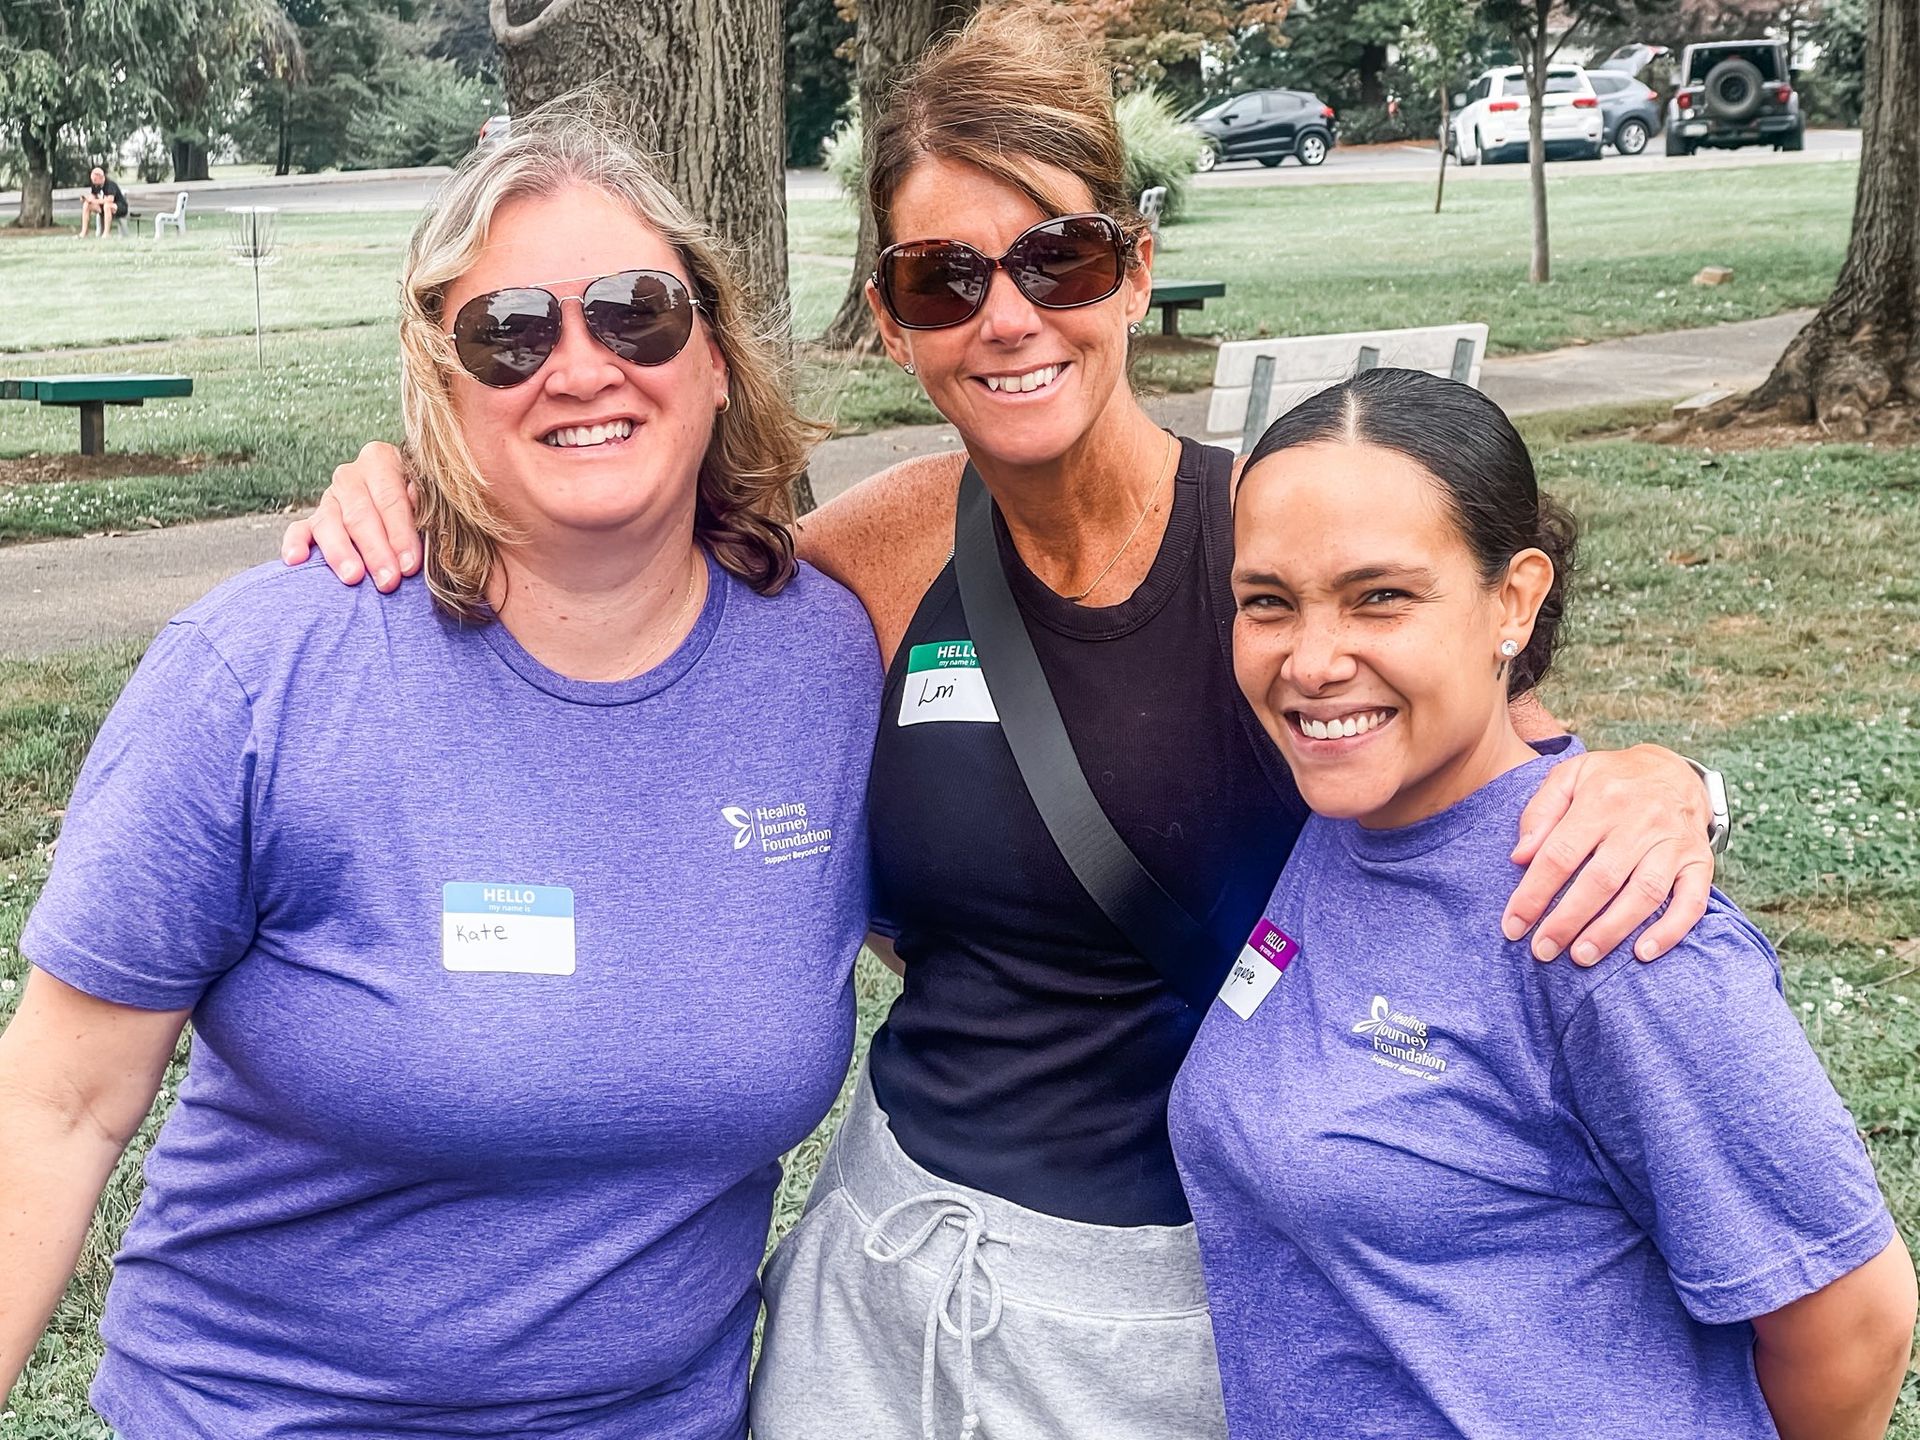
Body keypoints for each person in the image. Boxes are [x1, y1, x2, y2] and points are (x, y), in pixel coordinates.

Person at [281, 8, 1724, 1437]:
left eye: (1060, 256)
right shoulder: (883, 549)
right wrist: (419, 487)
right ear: (897, 316)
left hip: (1193, 1307)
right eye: (943, 279)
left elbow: (1502, 780)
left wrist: (1674, 784)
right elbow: (611, 576)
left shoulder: (1279, 551)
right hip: (888, 1286)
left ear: (1135, 270)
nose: (1009, 318)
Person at [0, 109, 877, 1440]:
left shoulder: (832, 660)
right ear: (441, 383)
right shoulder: (269, 672)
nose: (582, 368)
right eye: (511, 333)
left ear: (715, 357)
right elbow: (54, 1111)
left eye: (636, 313)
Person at [1171, 367, 1917, 1440]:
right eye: (1268, 603)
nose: (1313, 659)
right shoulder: (1344, 827)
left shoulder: (1610, 920)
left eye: (1381, 595)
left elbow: (1855, 1325)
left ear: (1512, 601)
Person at [78, 167, 125, 239]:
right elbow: (92, 196)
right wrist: (86, 199)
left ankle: (106, 234)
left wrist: (94, 201)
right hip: (103, 208)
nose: (93, 182)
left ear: (100, 177)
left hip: (119, 207)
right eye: (92, 180)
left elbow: (109, 200)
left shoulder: (110, 185)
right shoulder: (95, 185)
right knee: (87, 205)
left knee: (107, 206)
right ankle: (84, 233)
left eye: (95, 180)